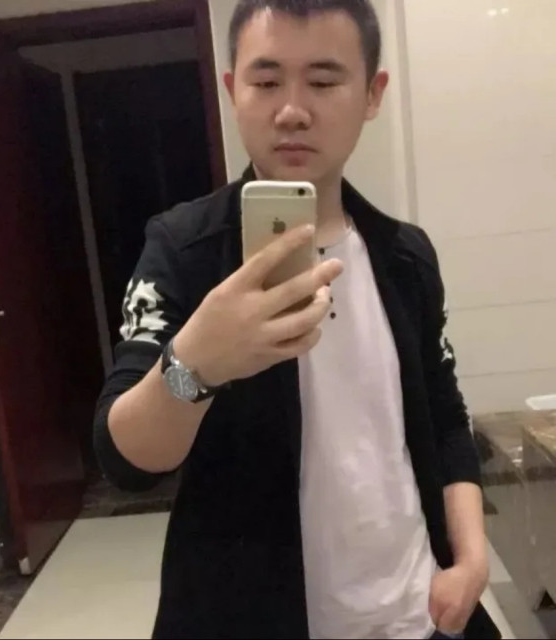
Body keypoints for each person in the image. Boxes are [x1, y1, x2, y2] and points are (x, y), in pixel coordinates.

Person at [93, 1, 500, 638]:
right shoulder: (184, 249)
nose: (291, 110)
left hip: (417, 612)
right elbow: (126, 462)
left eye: (323, 81)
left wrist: (471, 557)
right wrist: (195, 365)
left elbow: (447, 417)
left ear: (372, 94)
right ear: (233, 90)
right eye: (265, 81)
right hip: (249, 618)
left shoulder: (406, 256)